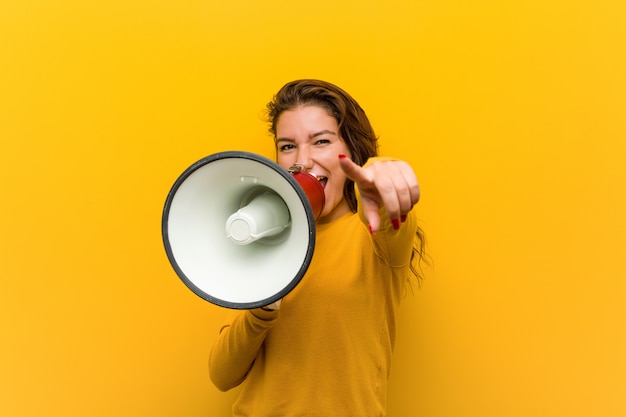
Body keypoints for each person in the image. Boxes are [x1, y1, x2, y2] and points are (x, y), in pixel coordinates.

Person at [209, 79, 426, 417]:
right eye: (287, 146)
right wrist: (261, 310)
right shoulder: (264, 240)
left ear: (351, 152)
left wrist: (381, 175)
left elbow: (392, 214)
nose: (303, 161)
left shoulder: (373, 237)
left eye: (321, 141)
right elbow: (222, 375)